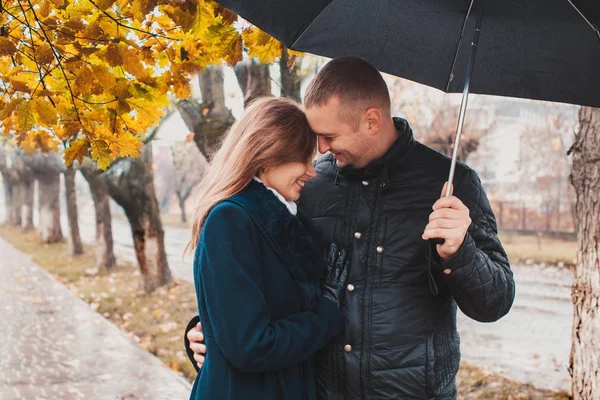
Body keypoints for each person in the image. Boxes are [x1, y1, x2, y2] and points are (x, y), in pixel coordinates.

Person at [186, 57, 516, 399]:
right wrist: (208, 327)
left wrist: (460, 253)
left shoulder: (452, 184)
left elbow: (495, 303)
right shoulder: (310, 187)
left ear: (371, 120)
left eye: (328, 136)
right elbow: (268, 282)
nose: (322, 149)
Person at [186, 97, 351, 400]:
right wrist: (327, 314)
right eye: (302, 159)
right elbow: (251, 345)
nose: (311, 172)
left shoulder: (287, 222)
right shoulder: (231, 220)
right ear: (266, 155)